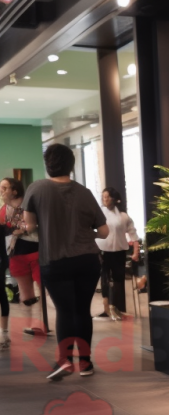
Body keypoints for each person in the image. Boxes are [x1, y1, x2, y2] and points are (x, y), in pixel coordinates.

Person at [22, 143, 109, 380]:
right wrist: (84, 234)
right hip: (88, 260)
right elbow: (104, 232)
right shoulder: (85, 192)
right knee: (82, 311)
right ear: (71, 165)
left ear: (48, 164)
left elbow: (29, 226)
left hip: (55, 259)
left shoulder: (36, 189)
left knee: (65, 311)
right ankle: (86, 363)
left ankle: (65, 361)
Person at [1, 177, 43, 335]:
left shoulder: (28, 205)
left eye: (4, 188)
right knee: (25, 292)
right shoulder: (4, 209)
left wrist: (22, 229)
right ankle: (29, 325)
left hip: (36, 250)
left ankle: (41, 322)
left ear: (15, 191)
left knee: (42, 288)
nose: (1, 191)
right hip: (16, 253)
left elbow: (34, 225)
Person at [94, 186, 140, 320]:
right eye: (103, 197)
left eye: (107, 197)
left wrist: (136, 251)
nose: (105, 199)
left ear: (114, 199)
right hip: (103, 251)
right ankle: (106, 307)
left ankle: (116, 307)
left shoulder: (123, 216)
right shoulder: (99, 214)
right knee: (105, 277)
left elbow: (133, 234)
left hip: (119, 251)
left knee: (118, 279)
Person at [0, 223, 9, 350]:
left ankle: (4, 333)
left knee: (2, 297)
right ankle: (4, 334)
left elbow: (4, 253)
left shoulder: (2, 229)